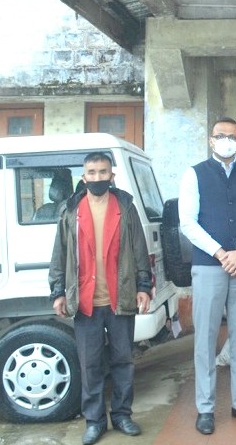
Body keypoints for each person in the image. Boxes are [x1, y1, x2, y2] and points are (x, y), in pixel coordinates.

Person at [48, 152, 152, 445]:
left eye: (102, 172)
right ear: (84, 177)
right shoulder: (70, 210)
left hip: (120, 299)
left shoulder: (125, 207)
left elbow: (139, 249)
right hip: (85, 302)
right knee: (90, 365)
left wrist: (144, 286)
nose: (97, 177)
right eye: (91, 173)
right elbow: (59, 253)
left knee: (123, 361)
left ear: (111, 176)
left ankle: (122, 415)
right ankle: (94, 421)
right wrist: (58, 291)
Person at [178, 117, 236, 434]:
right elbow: (188, 222)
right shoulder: (194, 174)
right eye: (221, 135)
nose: (227, 141)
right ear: (211, 140)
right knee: (205, 337)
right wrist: (220, 253)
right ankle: (205, 408)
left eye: (232, 136)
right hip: (208, 265)